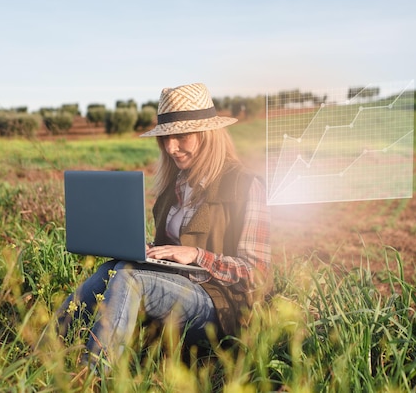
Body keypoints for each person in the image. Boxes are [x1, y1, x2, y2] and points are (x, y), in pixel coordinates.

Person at [55, 82, 272, 372]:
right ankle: (46, 349)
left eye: (181, 136)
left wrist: (196, 254)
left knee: (130, 278)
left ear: (208, 135)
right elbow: (172, 253)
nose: (171, 147)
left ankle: (92, 376)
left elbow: (256, 273)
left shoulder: (245, 185)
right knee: (112, 269)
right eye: (166, 137)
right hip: (175, 289)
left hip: (220, 308)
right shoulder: (175, 186)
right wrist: (148, 250)